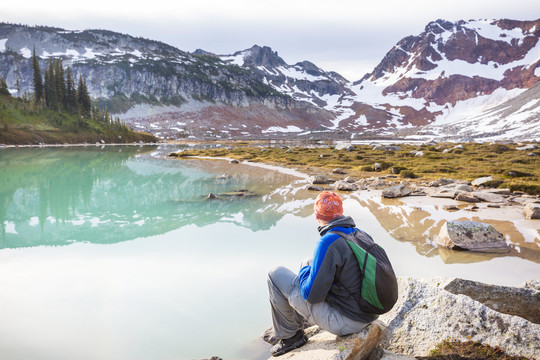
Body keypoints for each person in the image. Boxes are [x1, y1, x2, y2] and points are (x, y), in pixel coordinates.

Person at [265, 191, 381, 357]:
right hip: (366, 313)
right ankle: (297, 324)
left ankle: (290, 337)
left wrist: (304, 273)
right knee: (308, 261)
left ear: (317, 215)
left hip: (346, 322)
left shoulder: (328, 241)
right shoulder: (359, 234)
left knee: (274, 274)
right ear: (341, 212)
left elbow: (312, 296)